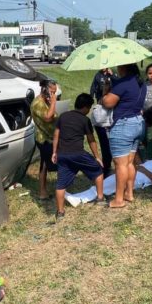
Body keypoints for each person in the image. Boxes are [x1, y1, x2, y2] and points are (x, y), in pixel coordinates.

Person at [51, 93, 105, 221]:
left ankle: (60, 212)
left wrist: (54, 152)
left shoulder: (63, 116)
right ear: (86, 107)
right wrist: (97, 157)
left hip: (62, 154)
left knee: (61, 184)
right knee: (98, 170)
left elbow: (56, 135)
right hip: (78, 154)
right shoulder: (85, 120)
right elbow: (91, 140)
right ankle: (100, 198)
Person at [102, 63, 146, 208]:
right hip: (137, 122)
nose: (117, 69)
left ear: (123, 68)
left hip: (123, 124)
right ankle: (129, 193)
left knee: (120, 164)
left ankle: (118, 199)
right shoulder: (140, 83)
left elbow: (108, 103)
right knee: (129, 162)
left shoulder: (123, 83)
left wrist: (106, 92)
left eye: (119, 67)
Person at [64, 159, 152, 207]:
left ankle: (79, 199)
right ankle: (78, 197)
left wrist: (143, 170)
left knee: (106, 187)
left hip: (138, 179)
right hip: (132, 173)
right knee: (105, 184)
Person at [30, 79, 59, 200]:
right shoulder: (37, 103)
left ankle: (44, 191)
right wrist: (53, 103)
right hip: (44, 139)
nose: (54, 95)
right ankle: (43, 192)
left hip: (51, 137)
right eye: (52, 92)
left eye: (55, 92)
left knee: (45, 164)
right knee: (46, 164)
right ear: (45, 90)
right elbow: (48, 117)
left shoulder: (45, 100)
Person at [89, 68, 114, 176]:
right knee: (105, 144)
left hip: (113, 108)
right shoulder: (97, 75)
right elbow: (93, 88)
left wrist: (112, 76)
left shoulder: (114, 74)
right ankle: (106, 166)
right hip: (102, 107)